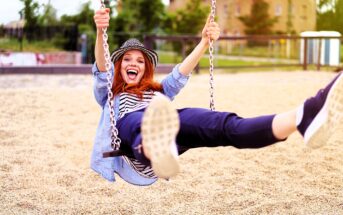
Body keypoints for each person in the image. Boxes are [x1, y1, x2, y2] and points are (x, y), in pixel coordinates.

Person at [91, 8, 343, 186]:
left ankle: (303, 116)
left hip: (168, 125)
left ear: (147, 68)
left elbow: (180, 73)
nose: (133, 63)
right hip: (132, 133)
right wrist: (101, 32)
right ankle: (154, 146)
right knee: (141, 122)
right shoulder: (111, 94)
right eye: (127, 59)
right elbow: (102, 69)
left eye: (140, 60)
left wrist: (203, 42)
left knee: (226, 125)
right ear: (119, 65)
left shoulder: (157, 91)